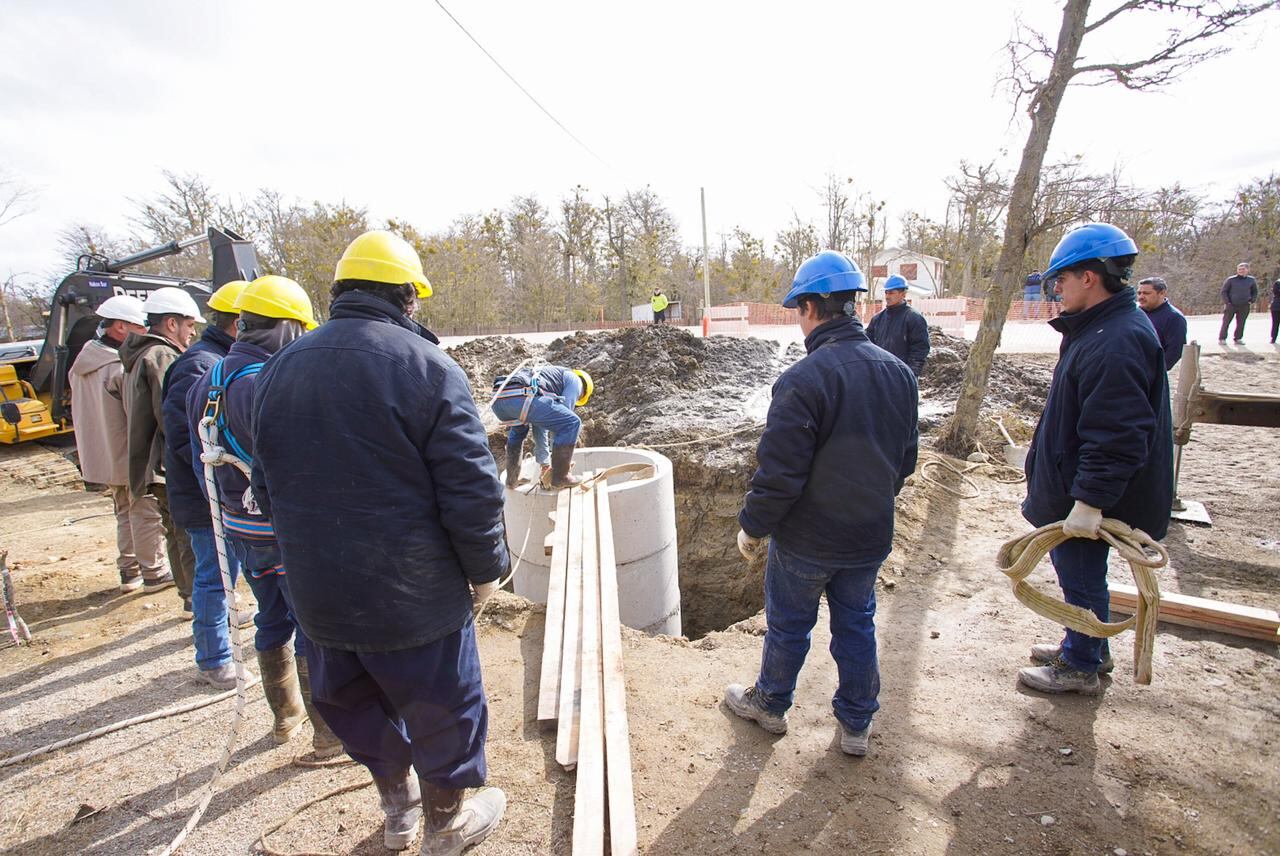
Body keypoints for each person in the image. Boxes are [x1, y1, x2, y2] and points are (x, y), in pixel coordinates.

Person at [249, 231, 507, 852]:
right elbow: (470, 488)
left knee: (355, 703)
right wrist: (485, 569)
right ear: (407, 299)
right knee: (444, 705)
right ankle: (446, 821)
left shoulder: (281, 368)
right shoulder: (427, 366)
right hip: (414, 596)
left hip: (320, 596)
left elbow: (265, 483)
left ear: (337, 293)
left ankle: (399, 812)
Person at [724, 250, 919, 758]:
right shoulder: (899, 373)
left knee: (789, 625)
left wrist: (753, 525)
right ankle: (856, 724)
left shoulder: (802, 380)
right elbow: (905, 460)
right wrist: (873, 502)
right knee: (857, 624)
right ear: (852, 305)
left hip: (808, 540)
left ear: (810, 307)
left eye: (798, 309)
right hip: (869, 534)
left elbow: (780, 474)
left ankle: (770, 705)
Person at [187, 275, 342, 760]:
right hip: (283, 532)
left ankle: (285, 717)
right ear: (286, 329)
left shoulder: (205, 381)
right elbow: (299, 467)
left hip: (240, 530)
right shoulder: (267, 383)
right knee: (312, 626)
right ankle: (328, 733)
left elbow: (200, 464)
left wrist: (232, 518)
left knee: (271, 617)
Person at [1020, 223, 1172, 695]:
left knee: (1082, 574)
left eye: (1061, 280)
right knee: (1081, 575)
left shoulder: (1115, 339)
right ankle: (1085, 645)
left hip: (1088, 497)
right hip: (1080, 486)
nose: (1057, 290)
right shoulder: (1104, 328)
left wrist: (1088, 501)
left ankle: (1081, 665)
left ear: (1090, 277)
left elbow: (1116, 433)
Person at [160, 281, 251, 686]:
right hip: (203, 494)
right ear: (238, 323)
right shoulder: (200, 365)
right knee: (214, 573)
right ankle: (215, 659)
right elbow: (184, 438)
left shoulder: (215, 357)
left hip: (214, 490)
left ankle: (223, 629)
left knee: (225, 571)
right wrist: (218, 484)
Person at [68, 295, 164, 593]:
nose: (147, 331)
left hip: (102, 453)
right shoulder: (117, 366)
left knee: (124, 509)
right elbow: (136, 413)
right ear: (121, 327)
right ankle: (154, 571)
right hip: (128, 452)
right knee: (146, 509)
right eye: (141, 325)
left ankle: (130, 570)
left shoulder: (85, 360)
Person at [119, 286, 204, 606]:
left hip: (152, 462)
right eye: (188, 324)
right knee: (190, 536)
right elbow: (174, 416)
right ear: (171, 324)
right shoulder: (163, 356)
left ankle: (189, 597)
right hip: (168, 463)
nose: (192, 332)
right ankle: (198, 600)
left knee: (175, 531)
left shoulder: (137, 354)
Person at [492, 366, 594, 490]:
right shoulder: (575, 380)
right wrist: (560, 466)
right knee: (571, 423)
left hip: (500, 401)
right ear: (583, 392)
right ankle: (561, 477)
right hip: (522, 397)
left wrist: (545, 463)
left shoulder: (548, 379)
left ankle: (511, 481)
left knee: (518, 432)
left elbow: (539, 427)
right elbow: (562, 424)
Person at [866, 274, 930, 377]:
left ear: (903, 294)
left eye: (891, 293)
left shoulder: (914, 318)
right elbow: (868, 345)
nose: (887, 296)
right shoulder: (877, 319)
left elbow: (920, 349)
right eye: (886, 293)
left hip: (902, 375)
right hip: (881, 375)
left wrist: (911, 374)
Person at [1136, 276, 1188, 370]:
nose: (1141, 297)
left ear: (1162, 293)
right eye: (1139, 293)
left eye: (1146, 293)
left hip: (1151, 373)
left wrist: (1156, 372)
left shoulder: (1174, 318)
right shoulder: (1134, 314)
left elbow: (1174, 351)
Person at [1218, 262, 1257, 343]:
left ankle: (1238, 338)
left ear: (1247, 270)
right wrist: (1227, 302)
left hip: (1244, 305)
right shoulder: (1231, 280)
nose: (1241, 271)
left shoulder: (1251, 280)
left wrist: (1251, 300)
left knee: (1241, 323)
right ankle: (1222, 338)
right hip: (1231, 305)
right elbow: (1224, 291)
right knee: (1226, 322)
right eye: (1239, 269)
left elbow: (1254, 292)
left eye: (1243, 269)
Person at [1270, 277, 1280, 345]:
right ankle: (1273, 338)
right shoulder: (1278, 282)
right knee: (1275, 323)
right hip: (1276, 307)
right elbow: (1275, 292)